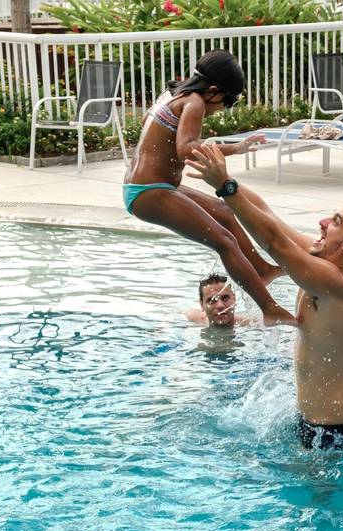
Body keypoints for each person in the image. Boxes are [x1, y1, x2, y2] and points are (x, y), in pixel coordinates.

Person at [186, 144, 343, 449]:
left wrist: (225, 187)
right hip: (341, 411)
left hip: (336, 429)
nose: (323, 222)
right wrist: (228, 180)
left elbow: (273, 242)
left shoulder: (340, 285)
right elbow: (268, 216)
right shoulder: (321, 257)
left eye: (335, 222)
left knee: (319, 498)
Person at [123, 50, 293, 326]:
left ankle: (261, 270)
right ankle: (270, 309)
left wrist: (231, 147)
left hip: (152, 185)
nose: (225, 107)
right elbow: (185, 149)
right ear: (213, 90)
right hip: (148, 191)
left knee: (223, 211)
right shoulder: (195, 103)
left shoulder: (174, 93)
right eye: (228, 101)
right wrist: (234, 148)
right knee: (224, 241)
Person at [184, 273, 252, 328]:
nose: (220, 306)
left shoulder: (250, 324)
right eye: (211, 300)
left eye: (225, 298)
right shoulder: (192, 317)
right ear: (202, 305)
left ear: (234, 299)